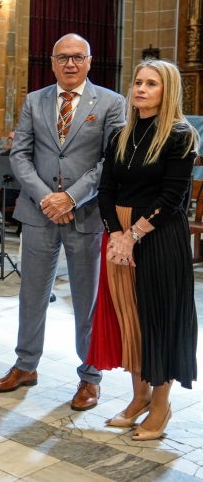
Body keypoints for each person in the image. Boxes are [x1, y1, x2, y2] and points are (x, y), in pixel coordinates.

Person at [0, 33, 125, 412]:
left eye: (77, 57)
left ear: (89, 61)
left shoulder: (112, 103)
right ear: (52, 62)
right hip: (38, 213)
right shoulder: (35, 100)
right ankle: (26, 365)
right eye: (62, 57)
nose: (69, 64)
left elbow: (110, 161)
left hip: (86, 214)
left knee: (87, 299)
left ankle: (90, 376)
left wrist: (70, 197)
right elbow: (20, 155)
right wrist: (46, 198)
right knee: (31, 293)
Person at [94, 60, 197, 440]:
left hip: (158, 236)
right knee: (130, 320)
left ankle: (160, 405)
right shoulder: (121, 133)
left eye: (151, 84)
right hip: (119, 234)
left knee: (159, 320)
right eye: (138, 82)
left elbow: (173, 197)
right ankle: (138, 398)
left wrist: (131, 235)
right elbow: (106, 189)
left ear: (166, 91)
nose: (140, 89)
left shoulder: (180, 135)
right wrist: (115, 233)